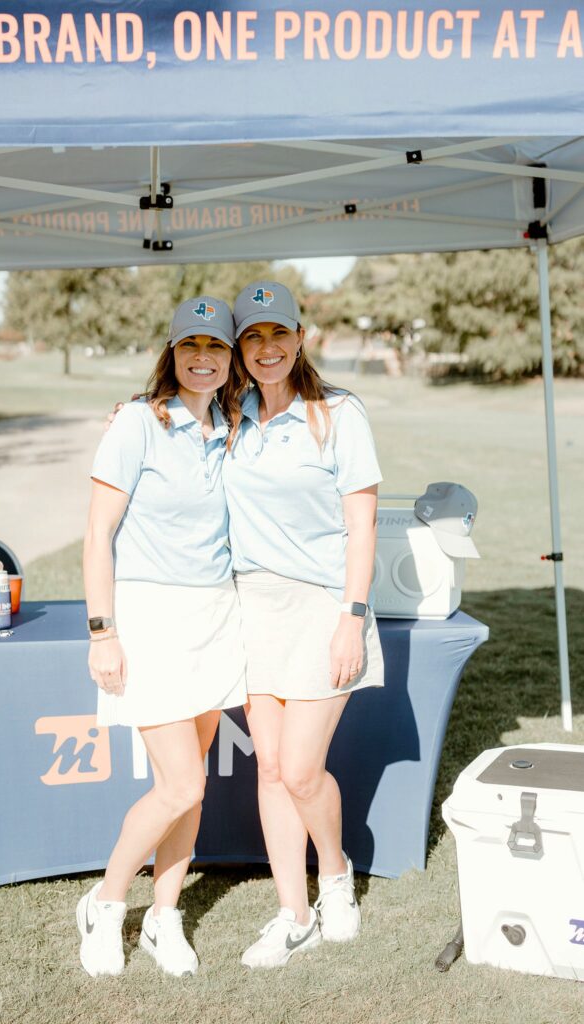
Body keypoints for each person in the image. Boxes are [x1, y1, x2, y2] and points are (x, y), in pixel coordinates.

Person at [77, 296, 246, 980]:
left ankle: (164, 917)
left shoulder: (236, 424)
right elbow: (96, 534)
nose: (201, 358)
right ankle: (107, 906)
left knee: (191, 788)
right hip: (149, 620)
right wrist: (102, 632)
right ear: (170, 355)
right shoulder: (134, 425)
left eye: (215, 347)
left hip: (217, 617)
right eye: (189, 346)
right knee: (179, 784)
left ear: (230, 360)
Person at [223, 280, 385, 968]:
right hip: (251, 607)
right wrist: (132, 408)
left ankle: (336, 873)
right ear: (239, 348)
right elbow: (163, 411)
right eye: (252, 337)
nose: (266, 349)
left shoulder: (338, 415)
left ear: (300, 336)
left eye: (277, 334)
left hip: (323, 606)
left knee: (298, 768)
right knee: (268, 773)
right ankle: (293, 915)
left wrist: (350, 618)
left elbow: (362, 523)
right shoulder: (227, 416)